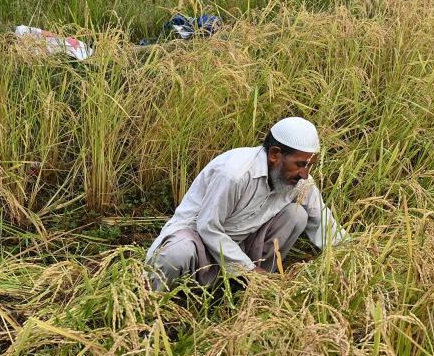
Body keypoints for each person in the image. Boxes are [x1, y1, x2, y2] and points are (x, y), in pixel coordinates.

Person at [144, 116, 348, 291]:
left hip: (241, 247)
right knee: (177, 252)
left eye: (310, 166)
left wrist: (354, 257)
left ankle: (249, 290)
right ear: (275, 154)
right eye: (300, 164)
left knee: (297, 215)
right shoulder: (234, 174)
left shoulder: (301, 182)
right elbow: (208, 227)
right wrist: (248, 270)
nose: (305, 174)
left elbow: (323, 223)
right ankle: (154, 304)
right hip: (198, 243)